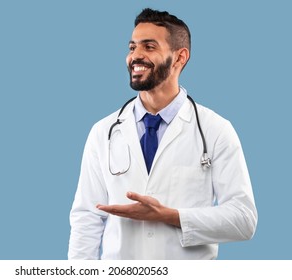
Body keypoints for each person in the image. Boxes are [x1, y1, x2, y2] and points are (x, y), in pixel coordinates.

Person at [68, 8, 258, 260]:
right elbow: (87, 217)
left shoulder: (215, 130)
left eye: (149, 47)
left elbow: (243, 219)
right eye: (132, 47)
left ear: (180, 57)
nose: (135, 56)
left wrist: (170, 216)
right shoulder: (103, 131)